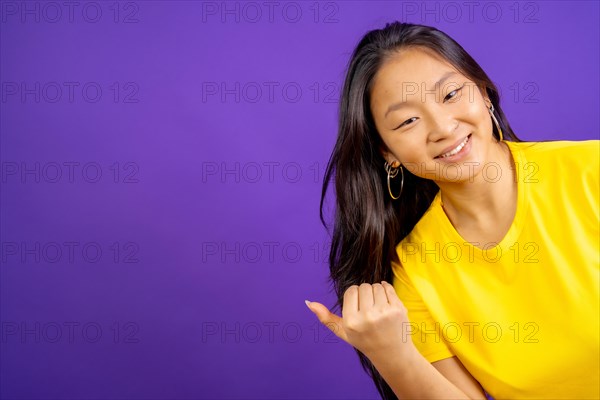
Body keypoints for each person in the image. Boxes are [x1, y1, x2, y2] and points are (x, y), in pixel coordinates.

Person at [304, 21, 599, 399]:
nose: (443, 127)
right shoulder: (412, 270)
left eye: (451, 94)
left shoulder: (591, 170)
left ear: (485, 92)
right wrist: (391, 354)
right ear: (387, 153)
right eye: (408, 120)